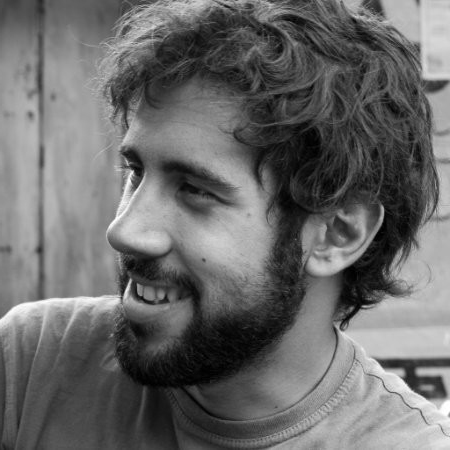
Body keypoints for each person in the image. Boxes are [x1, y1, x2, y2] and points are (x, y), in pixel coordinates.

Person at [1, 0, 449, 448]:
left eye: (196, 190)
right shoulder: (34, 366)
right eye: (136, 172)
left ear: (338, 234)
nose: (123, 231)